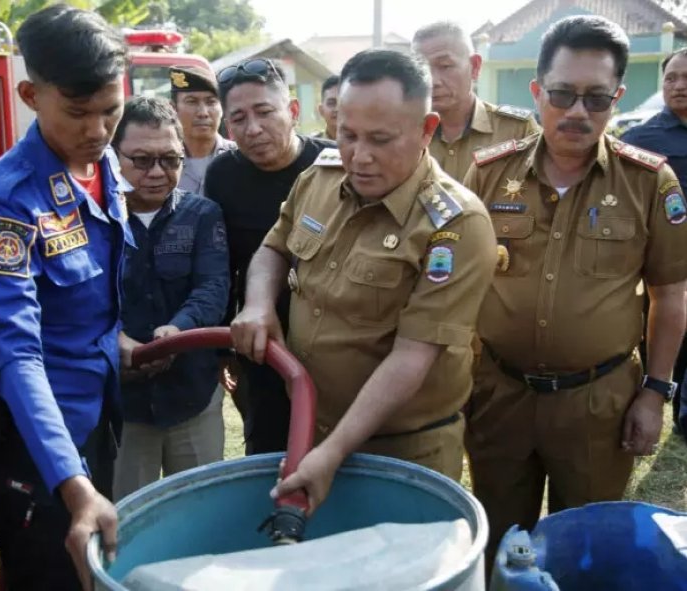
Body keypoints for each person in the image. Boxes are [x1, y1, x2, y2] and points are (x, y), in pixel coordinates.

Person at [462, 15, 687, 567]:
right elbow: (454, 283)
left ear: (618, 98)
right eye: (562, 94)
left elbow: (672, 296)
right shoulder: (489, 175)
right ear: (538, 92)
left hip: (598, 403)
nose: (578, 112)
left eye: (596, 98)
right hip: (499, 396)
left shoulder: (649, 182)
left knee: (587, 550)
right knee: (498, 544)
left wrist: (655, 392)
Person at [231, 49, 497, 515]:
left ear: (426, 130)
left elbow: (413, 356)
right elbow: (274, 248)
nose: (359, 156)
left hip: (404, 451)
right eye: (348, 135)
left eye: (380, 139)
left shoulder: (455, 225)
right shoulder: (319, 179)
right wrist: (258, 304)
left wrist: (332, 454)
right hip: (312, 427)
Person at [0, 5, 135, 590]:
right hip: (38, 438)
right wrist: (72, 481)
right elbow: (15, 350)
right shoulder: (6, 203)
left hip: (98, 409)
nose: (97, 130)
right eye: (79, 113)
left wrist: (114, 340)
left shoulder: (102, 162)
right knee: (47, 574)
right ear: (31, 94)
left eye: (111, 111)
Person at [204, 58, 334, 455]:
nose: (253, 128)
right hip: (263, 341)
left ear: (292, 111)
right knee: (267, 452)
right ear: (228, 127)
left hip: (334, 340)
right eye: (239, 118)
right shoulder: (223, 174)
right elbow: (221, 264)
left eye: (265, 112)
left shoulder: (332, 164)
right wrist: (224, 348)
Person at [112, 96, 229, 501]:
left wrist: (177, 332)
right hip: (122, 405)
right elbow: (81, 300)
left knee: (202, 514)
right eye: (142, 160)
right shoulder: (93, 217)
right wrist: (116, 340)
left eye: (171, 160)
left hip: (192, 395)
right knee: (126, 522)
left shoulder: (203, 215)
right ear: (115, 157)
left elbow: (213, 288)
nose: (158, 173)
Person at [622, 48, 687, 438]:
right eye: (671, 78)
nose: (679, 86)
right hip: (662, 266)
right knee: (661, 338)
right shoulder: (640, 139)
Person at [412, 21, 538, 181]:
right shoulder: (403, 133)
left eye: (445, 66)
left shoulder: (517, 130)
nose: (433, 80)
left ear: (475, 66)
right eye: (421, 69)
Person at [171, 64, 235, 195]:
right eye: (192, 102)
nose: (203, 113)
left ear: (222, 108)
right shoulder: (165, 162)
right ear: (173, 109)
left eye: (211, 102)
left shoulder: (239, 158)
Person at [313, 74, 339, 141]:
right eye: (331, 103)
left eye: (343, 102)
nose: (337, 109)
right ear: (321, 110)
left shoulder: (366, 144)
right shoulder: (311, 147)